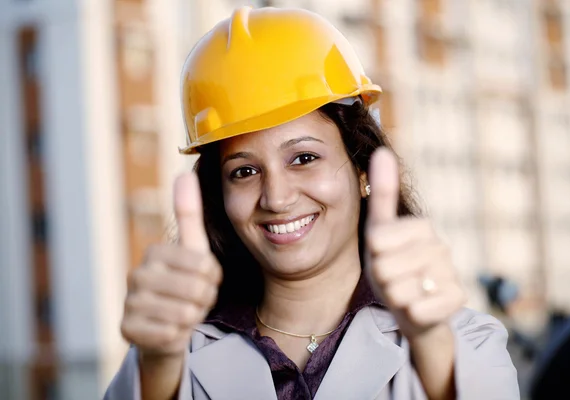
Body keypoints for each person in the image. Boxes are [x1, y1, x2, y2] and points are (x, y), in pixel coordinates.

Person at [104, 6, 519, 400]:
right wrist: (157, 364)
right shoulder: (173, 356)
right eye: (244, 171)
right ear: (218, 196)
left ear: (364, 172)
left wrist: (430, 345)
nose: (277, 197)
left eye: (303, 158)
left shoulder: (465, 342)